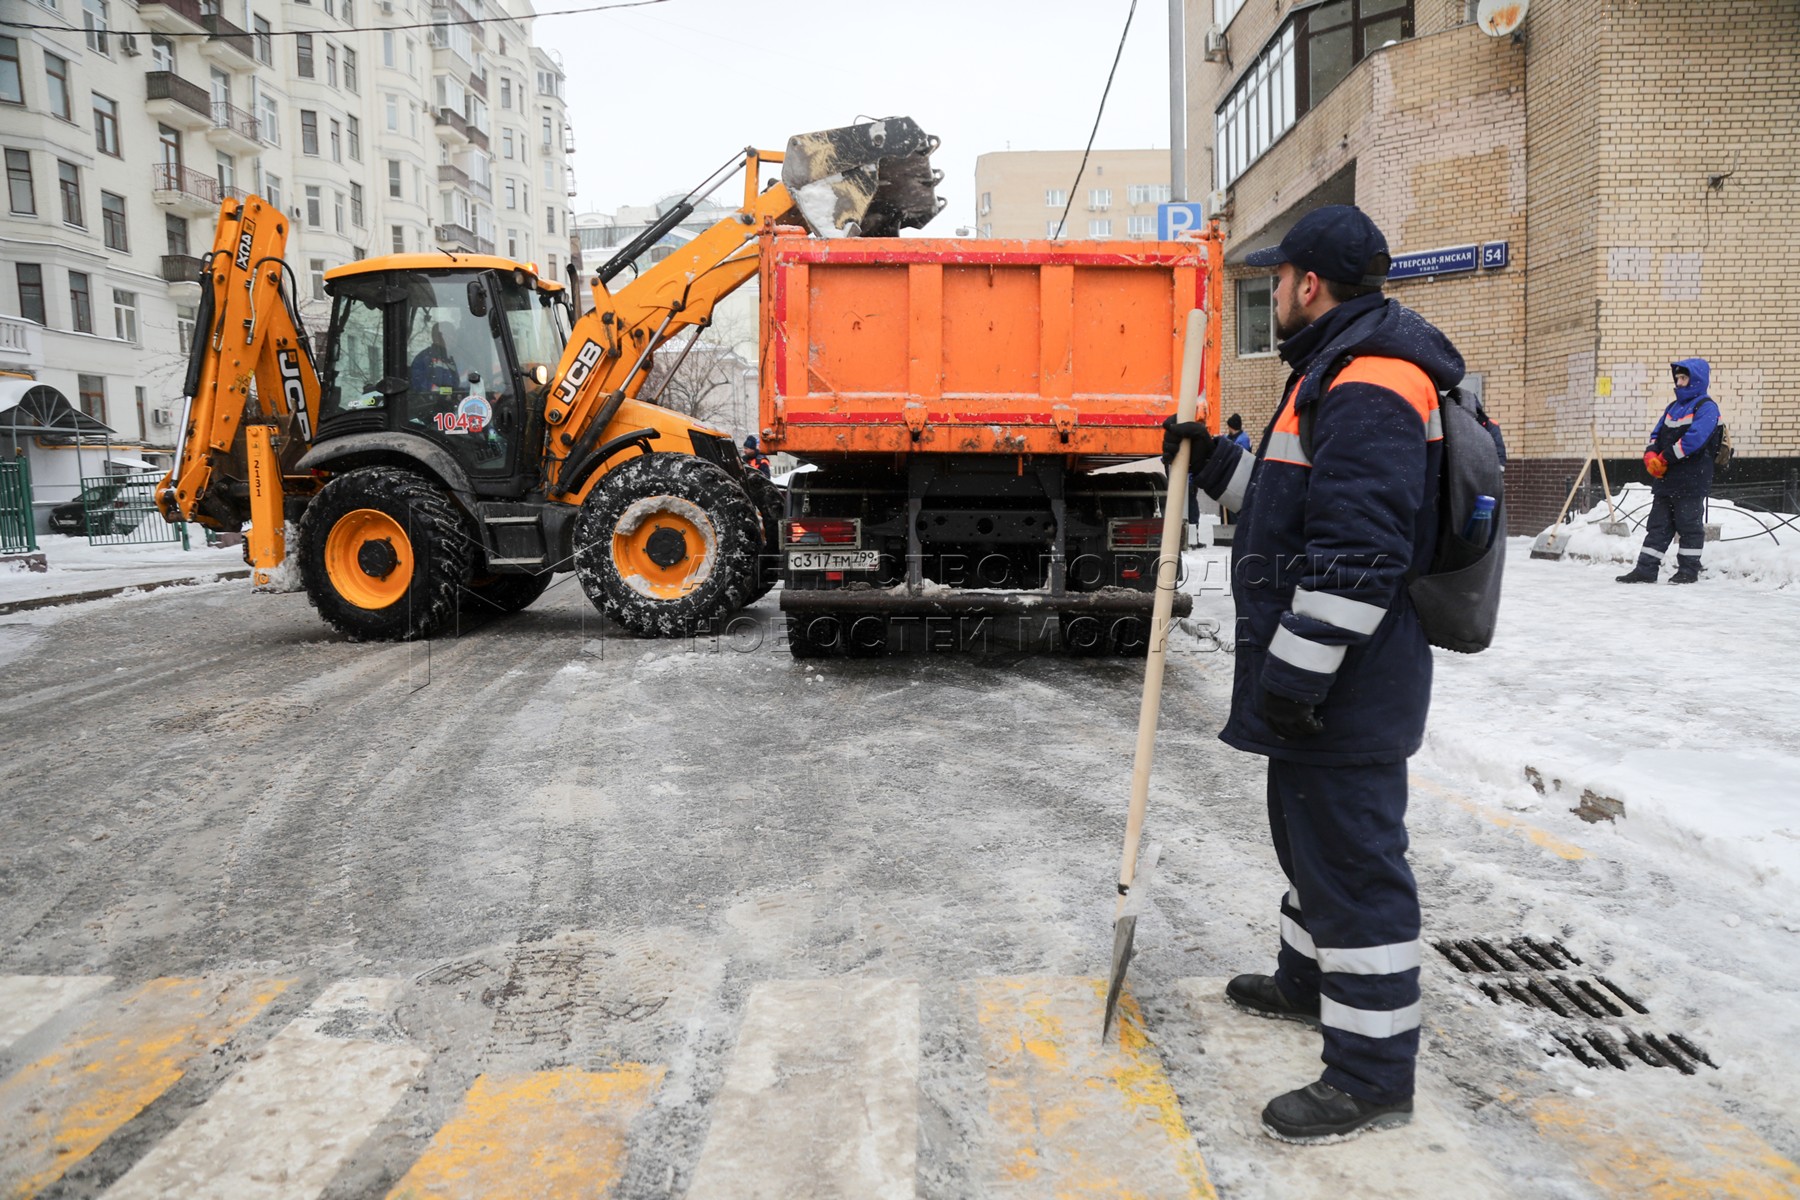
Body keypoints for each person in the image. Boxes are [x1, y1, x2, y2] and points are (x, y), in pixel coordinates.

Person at [1164, 204, 1463, 1143]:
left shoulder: (1371, 380)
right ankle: (1306, 982)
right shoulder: (1329, 370)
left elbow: (1358, 553)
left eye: (1279, 280)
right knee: (1309, 848)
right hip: (1325, 681)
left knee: (1355, 868)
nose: (1276, 294)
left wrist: (1296, 679)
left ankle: (1371, 1075)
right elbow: (1282, 513)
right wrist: (1214, 460)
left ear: (1308, 284)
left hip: (1346, 684)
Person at [1616, 359, 1718, 585]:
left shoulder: (1707, 408)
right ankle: (1645, 570)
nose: (1679, 383)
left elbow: (1694, 440)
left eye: (1684, 378)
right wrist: (1651, 454)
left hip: (1692, 479)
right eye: (1678, 379)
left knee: (1688, 525)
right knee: (1658, 525)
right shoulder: (1672, 408)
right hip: (1667, 478)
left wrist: (1663, 458)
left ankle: (1688, 571)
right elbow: (1657, 433)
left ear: (1696, 380)